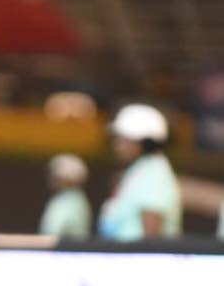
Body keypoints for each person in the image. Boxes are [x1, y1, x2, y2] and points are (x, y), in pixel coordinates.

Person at [97, 103, 181, 241]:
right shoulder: (142, 170)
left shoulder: (154, 175)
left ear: (144, 142)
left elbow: (151, 238)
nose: (117, 145)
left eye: (124, 139)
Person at [39, 154, 92, 237]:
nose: (52, 177)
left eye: (57, 175)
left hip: (64, 248)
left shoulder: (73, 199)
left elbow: (54, 231)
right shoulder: (64, 198)